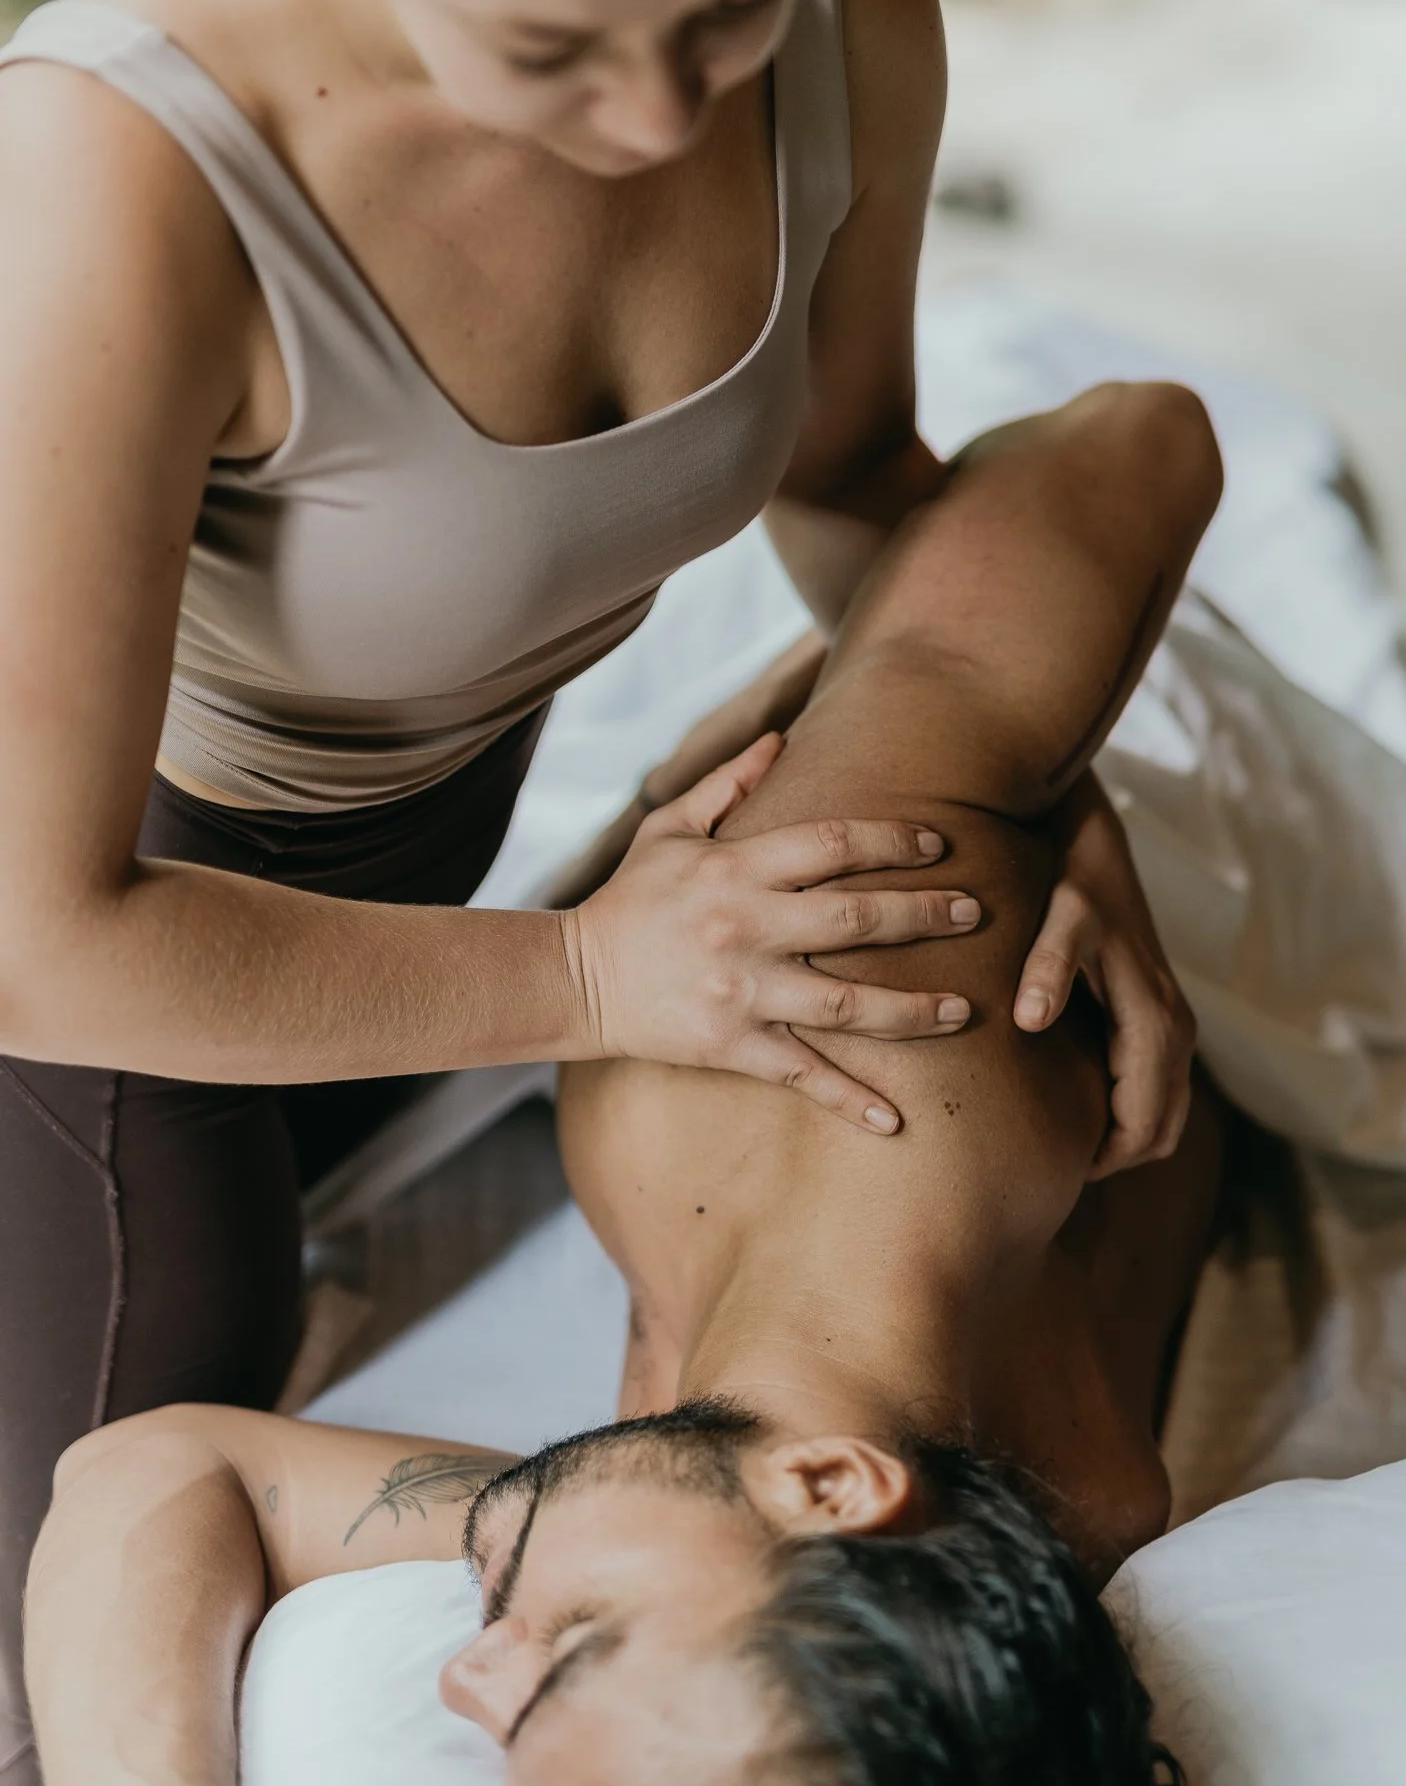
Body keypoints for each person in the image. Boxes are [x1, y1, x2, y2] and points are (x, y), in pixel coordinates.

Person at [0, 0, 1210, 1775]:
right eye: (546, 42)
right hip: (116, 956)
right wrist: (584, 979)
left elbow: (858, 490)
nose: (659, 117)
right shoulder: (109, 178)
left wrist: (1028, 787)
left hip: (436, 886)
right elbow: (33, 938)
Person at [25, 390, 1224, 1783]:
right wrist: (1042, 778)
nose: (470, 1670)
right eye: (573, 1645)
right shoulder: (886, 976)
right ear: (829, 1489)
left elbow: (154, 1471)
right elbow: (1142, 438)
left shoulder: (771, 1514)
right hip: (1028, 826)